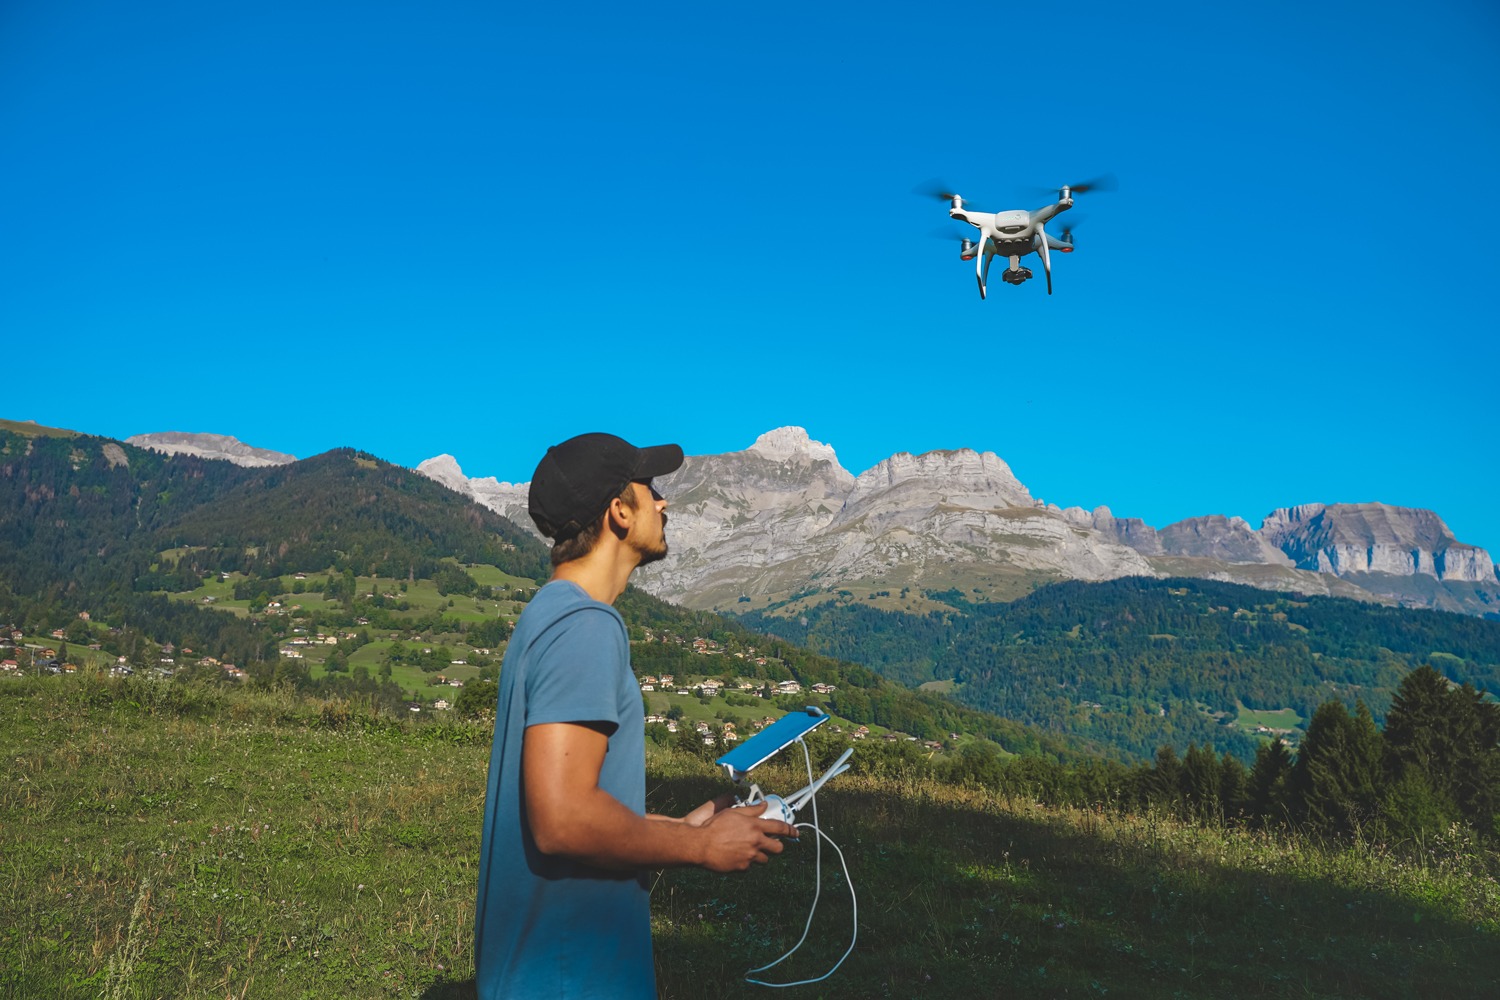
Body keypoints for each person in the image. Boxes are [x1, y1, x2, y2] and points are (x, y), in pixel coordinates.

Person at [474, 432, 798, 999]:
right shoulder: (587, 626)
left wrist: (683, 827)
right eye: (651, 490)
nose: (664, 503)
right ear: (619, 512)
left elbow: (570, 801)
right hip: (571, 975)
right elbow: (563, 820)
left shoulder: (547, 613)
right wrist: (701, 849)